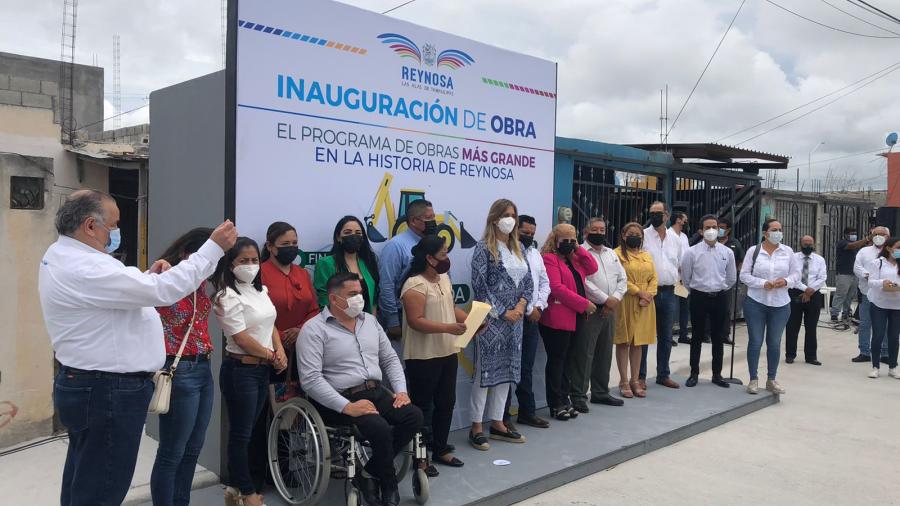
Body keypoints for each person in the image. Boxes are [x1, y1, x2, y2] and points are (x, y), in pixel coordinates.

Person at [39, 189, 235, 506]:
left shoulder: (68, 257)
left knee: (85, 479)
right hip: (107, 392)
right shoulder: (87, 267)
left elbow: (120, 298)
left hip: (94, 386)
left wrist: (145, 278)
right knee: (102, 488)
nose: (116, 232)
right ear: (90, 226)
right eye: (113, 225)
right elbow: (163, 291)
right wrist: (212, 249)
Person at [298, 272, 423, 506]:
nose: (359, 298)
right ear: (334, 300)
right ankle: (388, 483)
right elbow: (311, 380)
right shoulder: (314, 330)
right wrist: (347, 407)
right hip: (338, 398)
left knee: (413, 417)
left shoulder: (370, 322)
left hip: (376, 392)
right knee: (380, 428)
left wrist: (401, 391)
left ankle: (368, 472)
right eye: (352, 294)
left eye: (360, 293)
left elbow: (390, 360)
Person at [213, 237, 288, 506]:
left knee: (254, 431)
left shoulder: (260, 290)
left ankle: (234, 489)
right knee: (241, 434)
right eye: (243, 261)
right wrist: (271, 356)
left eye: (254, 260)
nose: (250, 265)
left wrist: (279, 351)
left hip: (261, 370)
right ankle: (249, 493)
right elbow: (242, 338)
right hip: (240, 371)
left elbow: (271, 325)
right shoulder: (226, 295)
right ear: (230, 264)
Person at [150, 227, 218, 506]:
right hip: (180, 370)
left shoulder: (201, 284)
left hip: (203, 367)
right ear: (185, 254)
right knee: (172, 451)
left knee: (193, 448)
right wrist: (155, 274)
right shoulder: (166, 279)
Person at [258, 221, 319, 490]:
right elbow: (257, 314)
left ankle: (291, 466)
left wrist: (300, 330)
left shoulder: (302, 274)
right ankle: (269, 469)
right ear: (270, 247)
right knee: (271, 411)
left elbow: (315, 309)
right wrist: (280, 336)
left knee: (297, 411)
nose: (292, 248)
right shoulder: (260, 274)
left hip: (302, 351)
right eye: (285, 245)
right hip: (271, 353)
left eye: (295, 243)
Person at [400, 235, 468, 469]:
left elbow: (451, 308)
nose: (447, 258)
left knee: (446, 403)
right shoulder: (414, 285)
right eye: (443, 254)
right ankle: (420, 457)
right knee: (422, 408)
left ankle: (440, 449)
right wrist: (449, 328)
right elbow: (416, 321)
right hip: (423, 356)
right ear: (429, 258)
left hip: (447, 351)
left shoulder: (444, 278)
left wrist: (472, 321)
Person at [469, 199, 532, 449]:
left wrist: (520, 307)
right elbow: (479, 285)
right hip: (491, 321)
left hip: (515, 322)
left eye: (514, 214)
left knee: (507, 373)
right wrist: (503, 311)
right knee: (485, 373)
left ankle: (497, 422)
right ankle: (476, 426)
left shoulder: (519, 248)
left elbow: (528, 282)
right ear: (495, 218)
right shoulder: (483, 248)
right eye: (506, 214)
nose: (511, 219)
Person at [539, 223, 598, 419]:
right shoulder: (549, 259)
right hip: (558, 317)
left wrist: (578, 248)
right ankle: (556, 403)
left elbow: (592, 267)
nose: (569, 243)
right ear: (555, 240)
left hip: (576, 317)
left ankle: (565, 399)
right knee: (557, 361)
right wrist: (584, 303)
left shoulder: (574, 259)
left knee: (568, 361)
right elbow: (556, 288)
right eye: (565, 240)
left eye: (573, 239)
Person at [740, 219, 796, 395]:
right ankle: (753, 379)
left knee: (774, 342)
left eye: (780, 229)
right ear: (765, 233)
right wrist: (762, 283)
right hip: (756, 302)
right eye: (774, 229)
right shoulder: (754, 251)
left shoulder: (787, 252)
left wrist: (785, 281)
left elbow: (796, 274)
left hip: (780, 304)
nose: (778, 232)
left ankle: (771, 379)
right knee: (755, 341)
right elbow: (744, 275)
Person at [680, 215, 736, 388]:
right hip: (699, 297)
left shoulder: (727, 252)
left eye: (715, 226)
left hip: (719, 297)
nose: (712, 230)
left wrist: (720, 288)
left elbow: (731, 277)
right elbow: (686, 278)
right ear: (700, 231)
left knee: (718, 337)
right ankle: (694, 373)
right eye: (708, 227)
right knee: (696, 336)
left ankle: (717, 374)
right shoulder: (691, 252)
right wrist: (697, 290)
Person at [507, 214, 551, 428]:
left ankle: (527, 412)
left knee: (526, 368)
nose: (528, 237)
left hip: (532, 319)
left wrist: (539, 306)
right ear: (515, 230)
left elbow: (544, 282)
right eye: (525, 233)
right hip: (512, 319)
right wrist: (528, 308)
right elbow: (511, 288)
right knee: (508, 369)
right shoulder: (506, 253)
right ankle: (502, 417)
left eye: (532, 234)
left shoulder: (535, 253)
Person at [578, 217, 627, 407]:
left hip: (610, 309)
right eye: (595, 229)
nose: (599, 233)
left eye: (602, 230)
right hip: (591, 309)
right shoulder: (580, 252)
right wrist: (605, 299)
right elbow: (583, 281)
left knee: (604, 353)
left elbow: (622, 278)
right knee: (585, 353)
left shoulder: (610, 253)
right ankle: (580, 395)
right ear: (586, 231)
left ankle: (600, 392)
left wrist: (614, 299)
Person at [378, 199, 436, 340]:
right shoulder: (396, 246)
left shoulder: (435, 243)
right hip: (405, 318)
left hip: (434, 316)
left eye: (434, 217)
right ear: (414, 221)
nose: (433, 221)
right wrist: (393, 321)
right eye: (428, 218)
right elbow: (387, 285)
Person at [613, 222, 657, 398]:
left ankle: (635, 379)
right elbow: (620, 277)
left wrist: (649, 294)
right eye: (631, 233)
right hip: (626, 300)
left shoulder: (646, 255)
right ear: (623, 235)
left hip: (645, 303)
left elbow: (654, 277)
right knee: (624, 341)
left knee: (639, 342)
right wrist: (639, 292)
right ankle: (623, 380)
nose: (635, 236)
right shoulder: (616, 254)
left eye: (638, 234)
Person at [639, 201, 680, 390]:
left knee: (666, 336)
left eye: (658, 213)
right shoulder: (643, 236)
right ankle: (640, 376)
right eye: (651, 212)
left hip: (670, 292)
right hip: (648, 293)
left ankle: (663, 374)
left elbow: (679, 265)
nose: (654, 216)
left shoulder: (675, 239)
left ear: (667, 215)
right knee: (645, 336)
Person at [314, 215, 380, 313]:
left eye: (358, 233)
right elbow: (324, 300)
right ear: (338, 237)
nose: (353, 236)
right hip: (337, 323)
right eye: (347, 232)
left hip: (366, 322)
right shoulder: (326, 264)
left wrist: (372, 323)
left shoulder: (368, 261)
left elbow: (374, 299)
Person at [785, 236, 826, 366]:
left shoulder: (820, 259)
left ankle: (811, 356)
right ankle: (790, 355)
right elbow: (792, 276)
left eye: (810, 244)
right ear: (800, 244)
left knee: (811, 326)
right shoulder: (793, 258)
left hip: (814, 294)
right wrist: (805, 289)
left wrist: (810, 290)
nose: (808, 246)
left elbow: (822, 277)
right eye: (805, 244)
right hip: (795, 292)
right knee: (792, 325)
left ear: (814, 244)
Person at [852, 226, 891, 363]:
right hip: (867, 292)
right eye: (876, 234)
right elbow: (857, 267)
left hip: (887, 295)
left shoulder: (893, 251)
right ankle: (864, 352)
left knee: (885, 325)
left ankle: (885, 353)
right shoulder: (864, 251)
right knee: (865, 324)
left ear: (888, 236)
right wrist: (866, 275)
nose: (879, 236)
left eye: (882, 234)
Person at [865, 237, 900, 379]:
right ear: (889, 248)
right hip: (879, 303)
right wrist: (883, 282)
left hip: (897, 305)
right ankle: (875, 366)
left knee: (894, 336)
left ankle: (893, 366)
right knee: (878, 334)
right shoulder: (877, 263)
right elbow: (871, 282)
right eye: (897, 248)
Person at [715, 217, 745, 345]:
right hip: (710, 280)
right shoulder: (710, 241)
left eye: (722, 227)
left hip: (726, 283)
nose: (719, 230)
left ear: (728, 230)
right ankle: (706, 333)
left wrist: (736, 273)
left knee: (726, 309)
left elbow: (740, 260)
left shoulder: (734, 243)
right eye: (718, 227)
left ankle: (725, 335)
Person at [831, 227, 866, 322]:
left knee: (850, 295)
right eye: (852, 233)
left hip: (854, 274)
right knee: (841, 294)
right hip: (843, 273)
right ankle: (834, 313)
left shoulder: (857, 246)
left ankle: (846, 313)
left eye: (855, 233)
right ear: (846, 234)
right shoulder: (842, 243)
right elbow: (852, 246)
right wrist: (866, 239)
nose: (854, 235)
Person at [671, 211, 692, 346]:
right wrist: (678, 266)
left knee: (684, 306)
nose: (686, 221)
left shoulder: (684, 236)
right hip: (673, 276)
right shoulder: (668, 235)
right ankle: (668, 335)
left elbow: (688, 254)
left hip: (683, 277)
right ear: (678, 220)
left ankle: (683, 334)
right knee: (672, 307)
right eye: (685, 219)